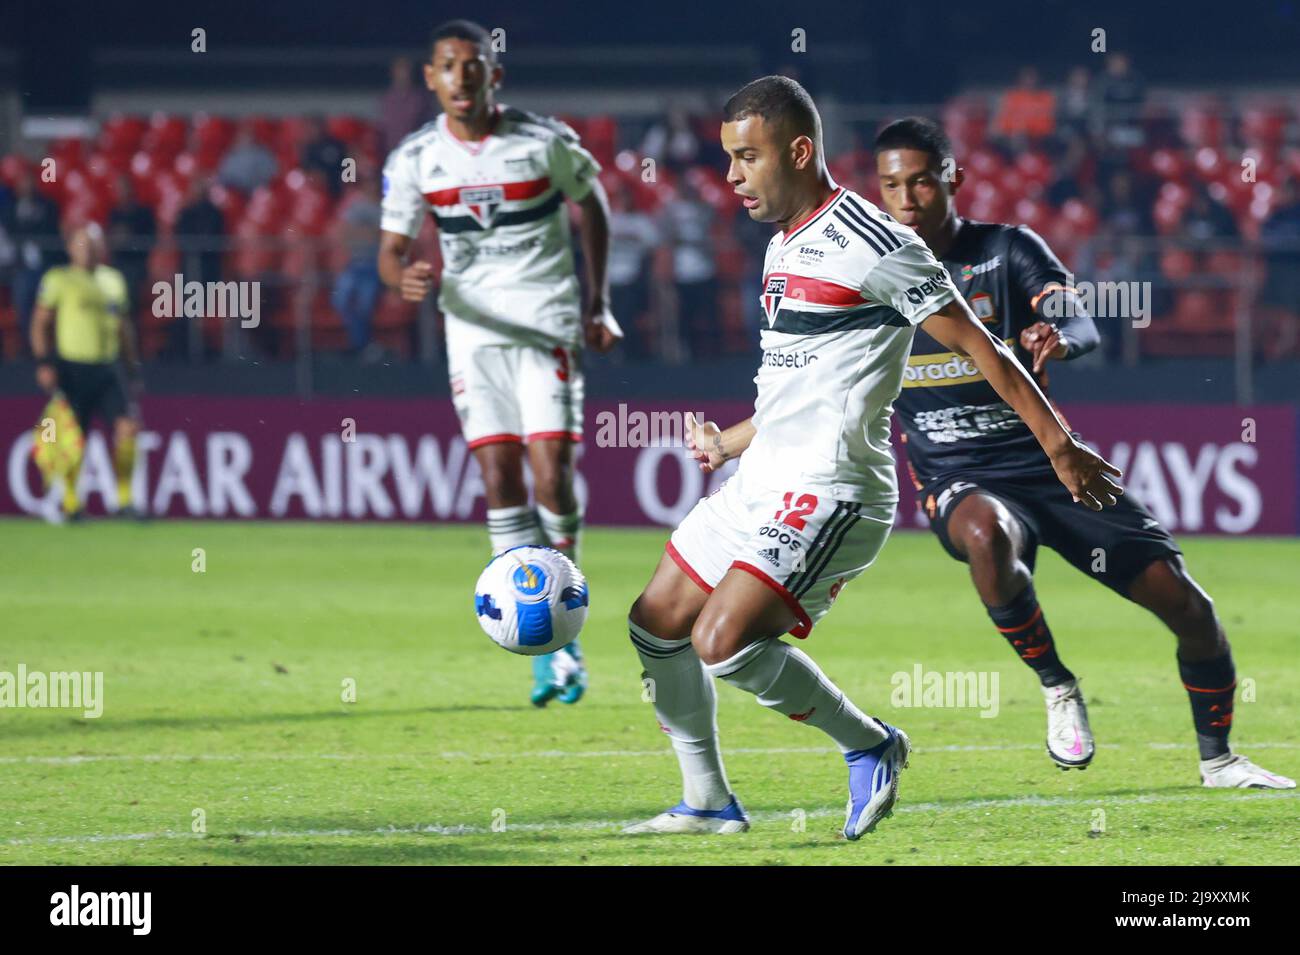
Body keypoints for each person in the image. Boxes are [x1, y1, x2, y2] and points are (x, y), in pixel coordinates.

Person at [623, 77, 1122, 840]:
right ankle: (707, 801)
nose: (732, 177)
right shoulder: (783, 243)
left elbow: (979, 342)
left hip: (832, 489)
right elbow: (799, 384)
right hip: (761, 479)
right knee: (654, 621)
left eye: (747, 158)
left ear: (798, 150)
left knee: (720, 642)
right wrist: (728, 442)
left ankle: (871, 744)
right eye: (728, 159)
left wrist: (1059, 443)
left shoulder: (872, 241)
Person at [873, 116, 1293, 789]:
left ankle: (1219, 759)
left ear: (952, 177)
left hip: (1049, 459)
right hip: (956, 474)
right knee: (985, 534)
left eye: (921, 180)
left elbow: (1078, 315)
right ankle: (1057, 683)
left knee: (1190, 607)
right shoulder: (875, 277)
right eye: (892, 185)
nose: (907, 199)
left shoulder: (1006, 251)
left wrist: (1059, 338)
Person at [378, 20, 621, 706]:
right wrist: (405, 278)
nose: (461, 77)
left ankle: (563, 611)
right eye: (448, 66)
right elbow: (389, 253)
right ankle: (546, 644)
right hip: (473, 335)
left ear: (494, 76)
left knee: (553, 471)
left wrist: (598, 302)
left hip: (546, 323)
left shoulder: (542, 142)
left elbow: (593, 204)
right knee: (498, 474)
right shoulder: (416, 158)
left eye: (473, 65)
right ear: (431, 77)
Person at [30, 224, 142, 521]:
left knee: (126, 428)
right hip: (72, 368)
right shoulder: (59, 280)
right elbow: (40, 322)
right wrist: (44, 362)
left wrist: (132, 365)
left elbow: (123, 327)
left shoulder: (113, 280)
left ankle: (125, 501)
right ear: (70, 248)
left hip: (108, 366)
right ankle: (70, 503)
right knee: (71, 438)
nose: (87, 250)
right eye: (81, 244)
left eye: (92, 244)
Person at [332, 176, 383, 357]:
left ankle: (361, 345)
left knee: (364, 303)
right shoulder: (355, 207)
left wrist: (364, 233)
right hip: (355, 265)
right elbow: (344, 234)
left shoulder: (385, 208)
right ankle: (360, 344)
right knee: (340, 300)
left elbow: (381, 235)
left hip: (376, 266)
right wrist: (367, 233)